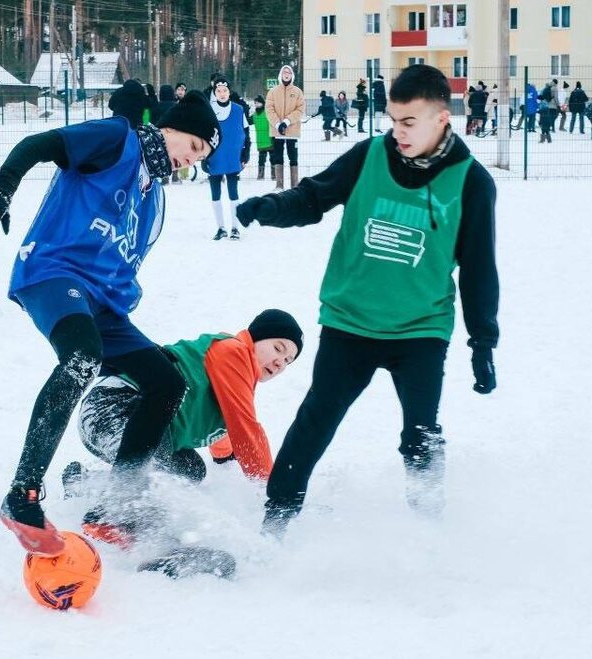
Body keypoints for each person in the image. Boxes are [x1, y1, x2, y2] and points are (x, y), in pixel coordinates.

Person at [235, 63, 499, 531]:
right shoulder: (369, 156)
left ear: (442, 119)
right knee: (316, 420)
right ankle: (275, 524)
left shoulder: (472, 183)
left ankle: (429, 527)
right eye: (393, 120)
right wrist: (271, 207)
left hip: (420, 329)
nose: (398, 132)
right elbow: (313, 198)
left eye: (409, 122)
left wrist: (483, 341)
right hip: (349, 322)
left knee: (421, 434)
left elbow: (479, 268)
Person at [0, 90, 220, 556]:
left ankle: (117, 504)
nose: (192, 160)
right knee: (82, 357)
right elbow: (39, 144)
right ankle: (22, 494)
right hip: (54, 271)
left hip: (101, 302)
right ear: (170, 128)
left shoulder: (154, 197)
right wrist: (3, 187)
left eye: (201, 158)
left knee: (166, 381)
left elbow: (124, 257)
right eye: (194, 147)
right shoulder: (117, 139)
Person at [65, 309, 303, 510]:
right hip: (113, 409)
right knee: (155, 479)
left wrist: (224, 459)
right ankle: (115, 522)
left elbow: (227, 423)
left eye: (288, 361)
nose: (280, 363)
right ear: (255, 338)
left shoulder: (238, 382)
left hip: (130, 428)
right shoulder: (234, 351)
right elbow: (244, 428)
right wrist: (277, 490)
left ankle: (85, 483)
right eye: (278, 348)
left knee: (190, 471)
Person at [207, 77, 250, 240]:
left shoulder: (238, 110)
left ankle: (235, 228)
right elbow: (202, 136)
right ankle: (221, 228)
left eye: (225, 90)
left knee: (233, 193)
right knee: (215, 194)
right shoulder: (209, 110)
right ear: (215, 93)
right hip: (214, 158)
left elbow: (246, 134)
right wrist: (203, 158)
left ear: (229, 92)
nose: (222, 93)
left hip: (233, 158)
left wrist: (245, 154)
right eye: (218, 91)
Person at [265, 64, 305, 189]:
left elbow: (300, 109)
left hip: (292, 131)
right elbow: (269, 110)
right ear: (280, 75)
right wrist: (278, 124)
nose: (286, 75)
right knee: (278, 156)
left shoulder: (297, 92)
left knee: (293, 157)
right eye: (284, 72)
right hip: (277, 131)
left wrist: (287, 121)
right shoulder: (273, 92)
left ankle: (295, 186)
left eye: (289, 73)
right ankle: (279, 185)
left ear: (292, 75)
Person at [252, 95, 273, 181]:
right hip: (260, 141)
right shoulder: (254, 115)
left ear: (262, 103)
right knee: (261, 159)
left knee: (273, 159)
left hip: (270, 139)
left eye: (258, 103)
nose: (256, 104)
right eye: (255, 103)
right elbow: (248, 121)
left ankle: (274, 175)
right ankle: (260, 175)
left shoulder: (268, 113)